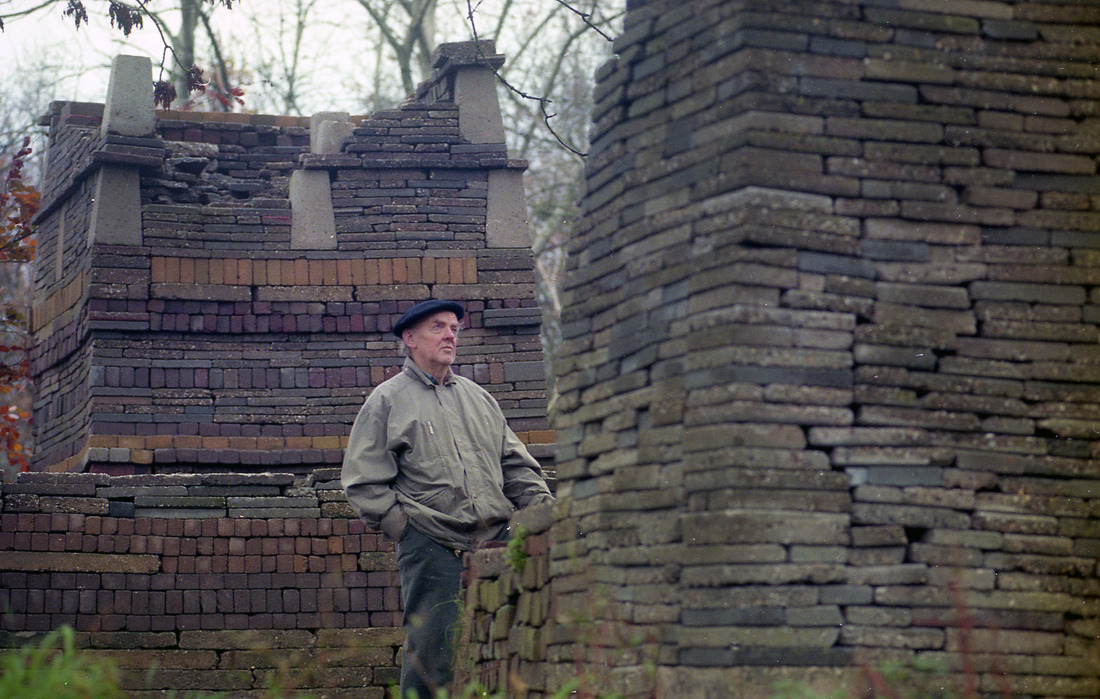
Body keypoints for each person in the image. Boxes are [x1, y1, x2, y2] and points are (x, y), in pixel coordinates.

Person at [341, 299, 554, 699]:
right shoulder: (386, 401)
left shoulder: (480, 399)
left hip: (499, 542)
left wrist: (542, 507)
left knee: (509, 646)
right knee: (432, 654)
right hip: (432, 546)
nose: (450, 335)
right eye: (438, 327)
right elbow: (363, 482)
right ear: (410, 338)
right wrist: (408, 532)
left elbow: (516, 465)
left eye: (455, 327)